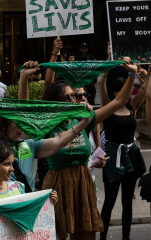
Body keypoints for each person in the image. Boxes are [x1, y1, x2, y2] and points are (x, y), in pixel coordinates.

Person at [34, 57, 137, 240]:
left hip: (83, 183)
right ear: (55, 102)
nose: (74, 99)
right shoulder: (47, 125)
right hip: (58, 185)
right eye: (67, 97)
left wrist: (132, 74)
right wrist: (27, 77)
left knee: (86, 234)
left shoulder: (84, 120)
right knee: (58, 234)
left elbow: (119, 102)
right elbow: (25, 102)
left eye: (73, 96)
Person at [0, 131, 58, 240]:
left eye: (12, 163)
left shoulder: (18, 187)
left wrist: (49, 204)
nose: (12, 168)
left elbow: (28, 217)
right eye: (7, 164)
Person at [97, 74, 147, 240]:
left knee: (127, 200)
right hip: (113, 157)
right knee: (109, 200)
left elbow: (143, 91)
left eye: (127, 91)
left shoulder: (132, 106)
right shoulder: (108, 107)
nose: (124, 95)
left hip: (130, 155)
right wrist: (102, 77)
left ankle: (126, 237)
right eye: (120, 91)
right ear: (114, 92)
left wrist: (141, 74)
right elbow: (101, 86)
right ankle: (103, 237)